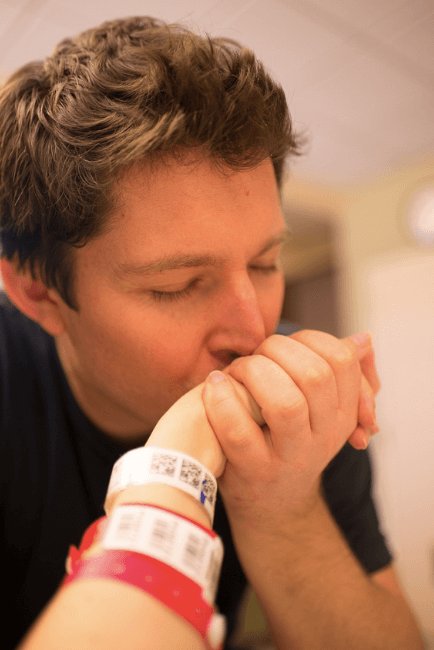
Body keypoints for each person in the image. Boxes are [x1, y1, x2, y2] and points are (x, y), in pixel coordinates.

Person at [0, 15, 423, 650]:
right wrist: (177, 471)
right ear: (40, 295)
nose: (255, 330)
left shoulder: (298, 399)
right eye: (176, 286)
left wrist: (284, 508)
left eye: (265, 263)